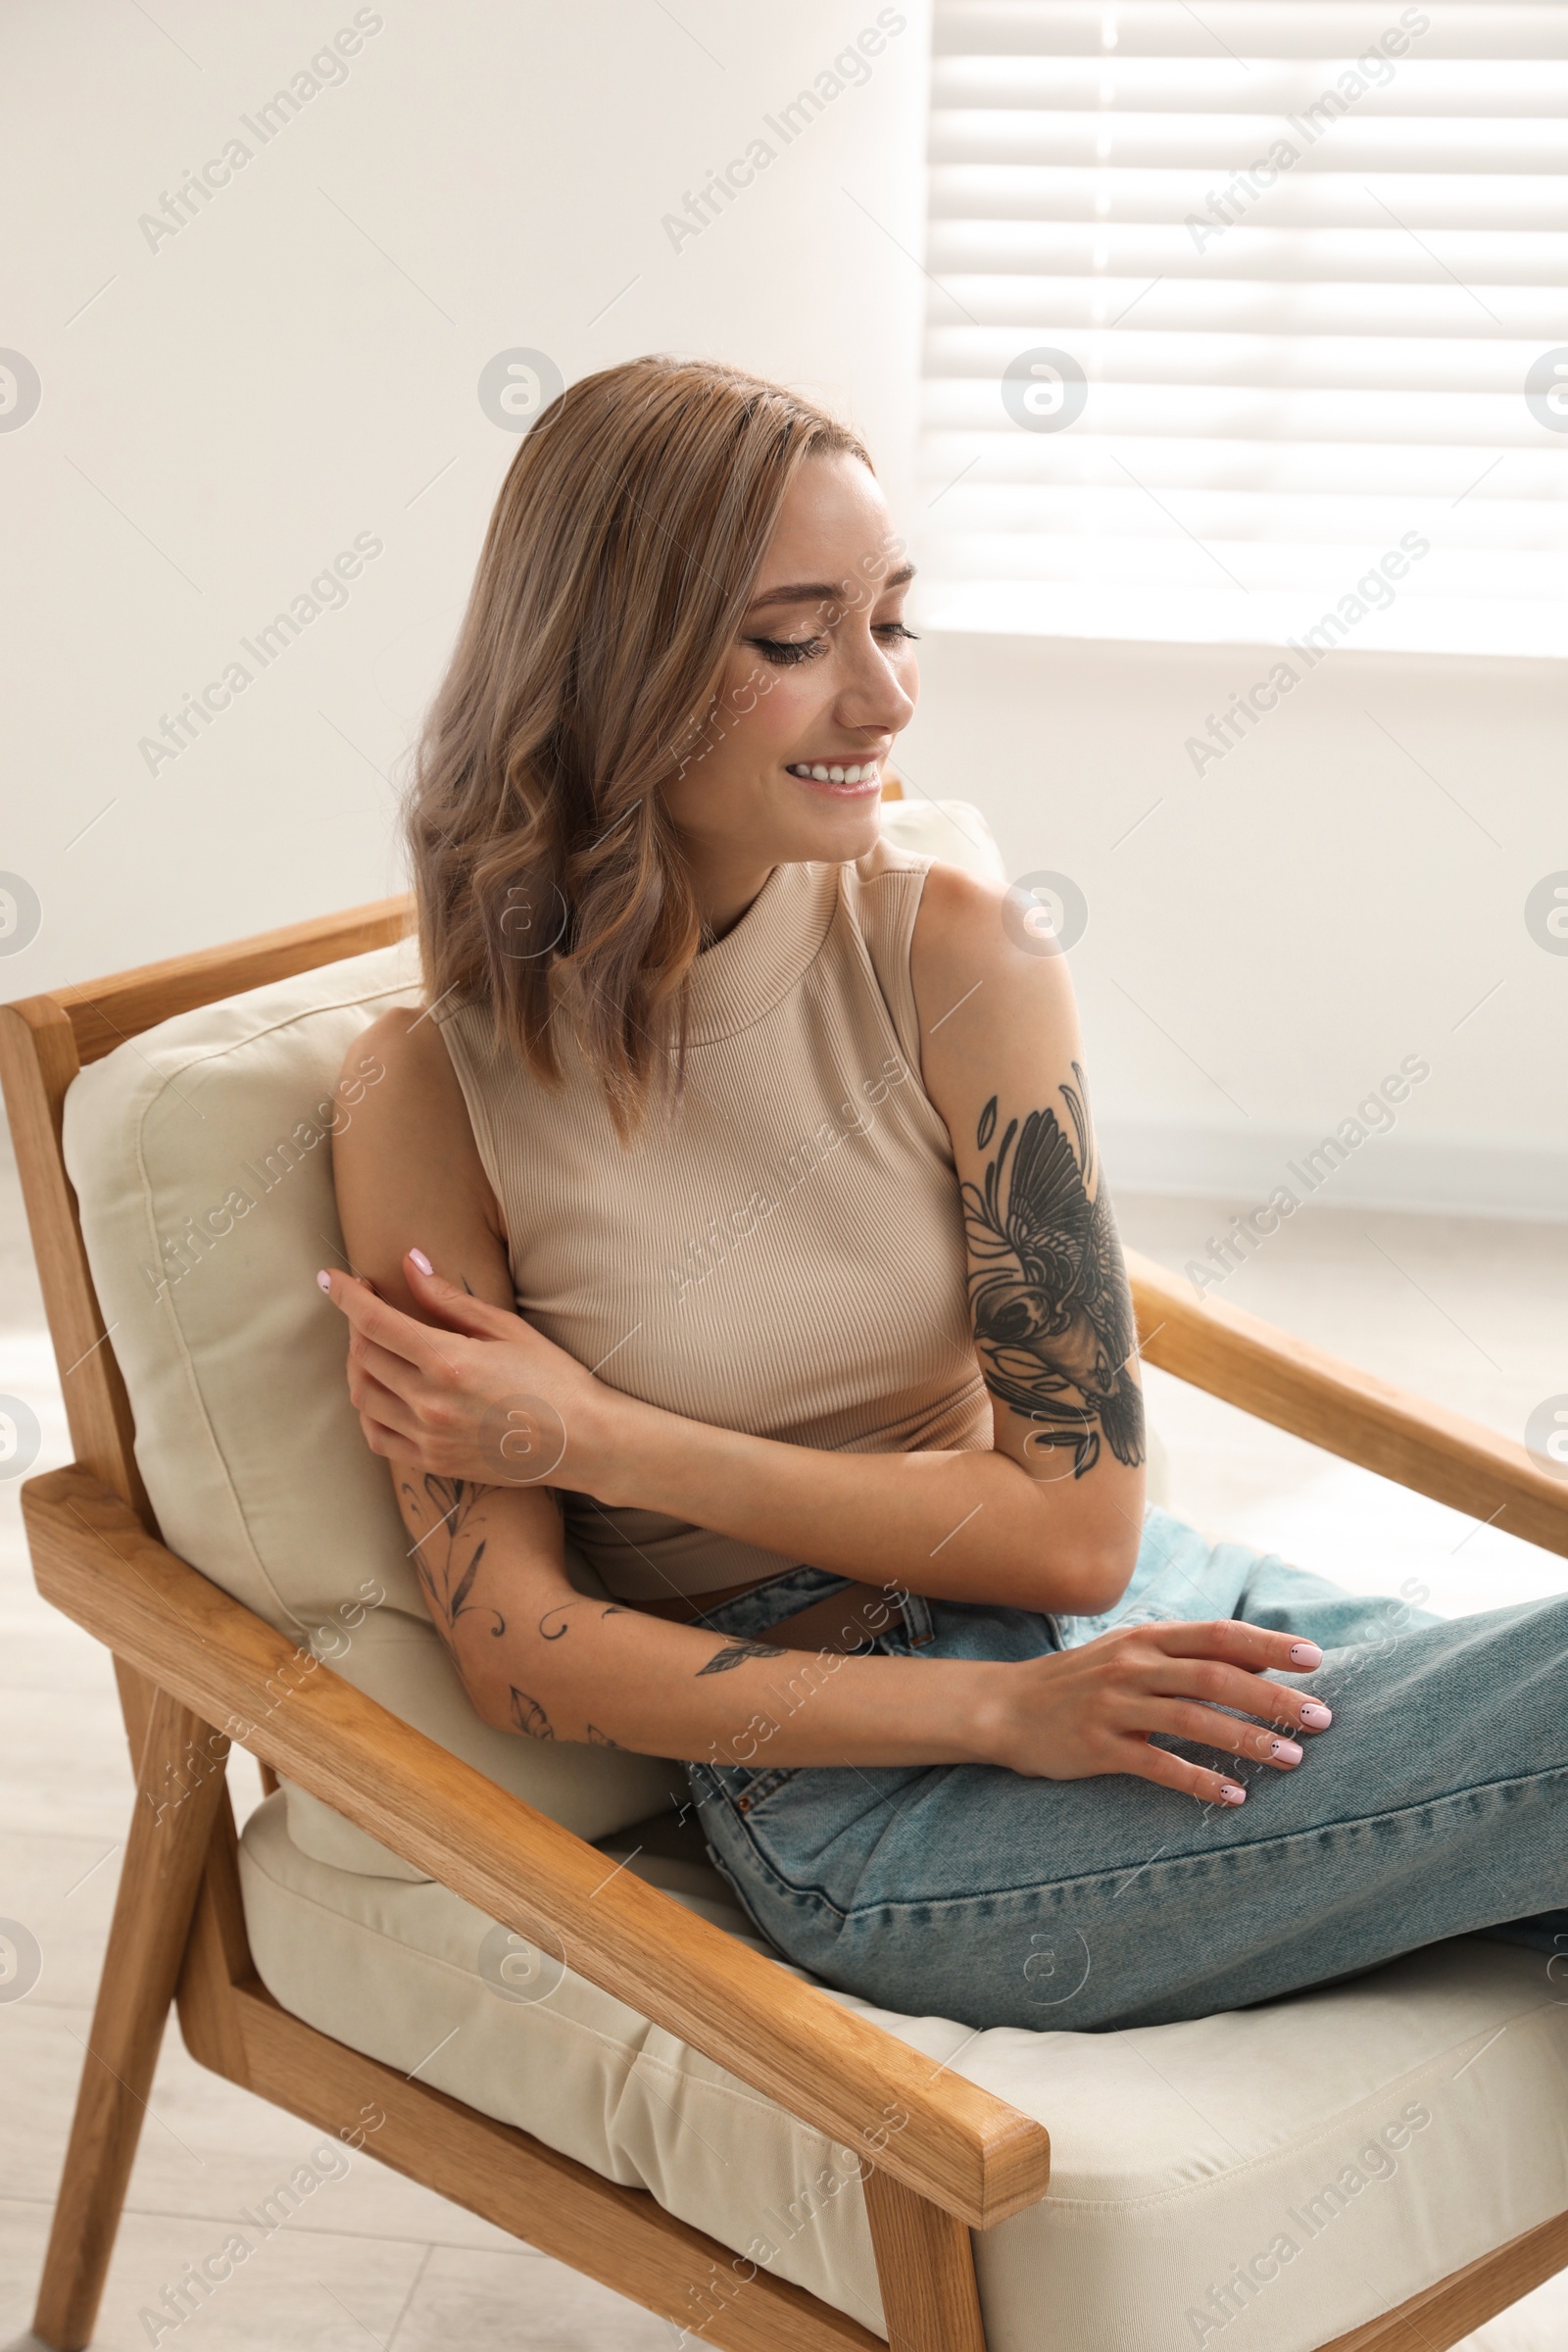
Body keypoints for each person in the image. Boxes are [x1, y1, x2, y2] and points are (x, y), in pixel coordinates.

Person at [320, 355, 1567, 2033]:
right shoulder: (429, 1092)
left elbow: (1079, 1528)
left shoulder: (957, 951)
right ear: (605, 667)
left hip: (1136, 1608)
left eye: (890, 621)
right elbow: (519, 1653)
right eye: (791, 640)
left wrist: (603, 1439)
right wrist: (1001, 1721)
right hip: (865, 1790)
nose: (884, 699)